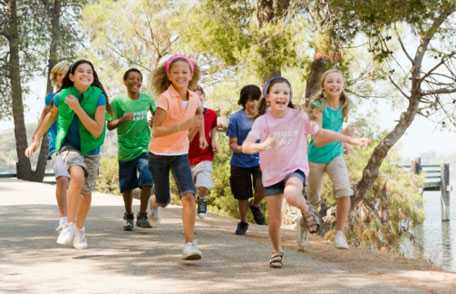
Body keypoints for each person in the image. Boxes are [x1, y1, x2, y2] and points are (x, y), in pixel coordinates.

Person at [242, 76, 369, 268]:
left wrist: (349, 140)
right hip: (271, 174)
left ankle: (307, 210)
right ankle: (276, 251)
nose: (282, 96)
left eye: (286, 93)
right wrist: (263, 146)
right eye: (277, 92)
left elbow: (320, 133)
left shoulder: (298, 117)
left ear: (290, 97)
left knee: (292, 193)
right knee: (274, 220)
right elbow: (246, 146)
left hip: (295, 168)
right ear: (268, 97)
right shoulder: (262, 121)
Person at [25, 59, 109, 250]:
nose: (86, 74)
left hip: (91, 148)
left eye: (90, 72)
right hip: (68, 146)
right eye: (81, 71)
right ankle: (69, 225)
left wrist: (78, 109)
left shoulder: (99, 97)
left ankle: (80, 229)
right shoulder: (61, 96)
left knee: (86, 194)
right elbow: (51, 115)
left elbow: (96, 131)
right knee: (76, 177)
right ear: (71, 76)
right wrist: (37, 138)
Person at [149, 54, 207, 260]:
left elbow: (197, 118)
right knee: (164, 198)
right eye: (176, 72)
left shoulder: (194, 97)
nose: (181, 75)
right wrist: (182, 127)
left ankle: (190, 244)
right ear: (169, 76)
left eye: (185, 72)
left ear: (191, 75)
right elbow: (156, 131)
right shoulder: (164, 99)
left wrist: (197, 137)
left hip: (180, 154)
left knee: (189, 196)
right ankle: (154, 203)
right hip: (158, 154)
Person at [307, 69, 358, 249]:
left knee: (344, 191)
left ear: (343, 86)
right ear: (323, 86)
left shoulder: (345, 104)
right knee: (313, 201)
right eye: (330, 81)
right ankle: (303, 224)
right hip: (315, 157)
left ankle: (339, 234)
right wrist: (344, 137)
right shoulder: (317, 106)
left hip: (335, 155)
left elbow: (341, 127)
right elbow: (319, 138)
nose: (334, 85)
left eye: (338, 81)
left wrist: (346, 144)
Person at [108, 68, 157, 231]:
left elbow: (158, 116)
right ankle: (129, 215)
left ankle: (142, 215)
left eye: (139, 79)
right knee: (127, 186)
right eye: (132, 78)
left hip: (144, 148)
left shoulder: (147, 99)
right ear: (125, 81)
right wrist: (122, 119)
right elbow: (109, 125)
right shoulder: (117, 102)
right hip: (126, 150)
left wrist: (154, 121)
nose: (136, 81)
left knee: (148, 178)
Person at [30, 61, 70, 232]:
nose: (62, 77)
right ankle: (64, 217)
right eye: (59, 74)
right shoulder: (51, 98)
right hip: (57, 144)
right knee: (61, 179)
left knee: (76, 183)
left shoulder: (77, 95)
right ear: (55, 77)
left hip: (76, 144)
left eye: (66, 74)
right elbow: (44, 116)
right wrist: (36, 139)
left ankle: (73, 215)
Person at [226, 85, 266, 236]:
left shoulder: (265, 117)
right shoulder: (236, 118)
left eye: (256, 99)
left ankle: (255, 205)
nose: (254, 103)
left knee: (263, 186)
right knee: (242, 195)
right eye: (250, 100)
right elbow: (233, 144)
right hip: (240, 161)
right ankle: (243, 222)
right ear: (244, 101)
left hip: (261, 160)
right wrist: (245, 149)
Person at [188, 85, 218, 219]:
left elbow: (213, 130)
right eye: (193, 95)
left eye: (200, 95)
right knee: (188, 189)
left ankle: (202, 201)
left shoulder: (212, 114)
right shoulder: (186, 114)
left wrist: (214, 142)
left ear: (204, 97)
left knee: (203, 184)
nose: (198, 98)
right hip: (186, 156)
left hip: (205, 155)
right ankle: (190, 208)